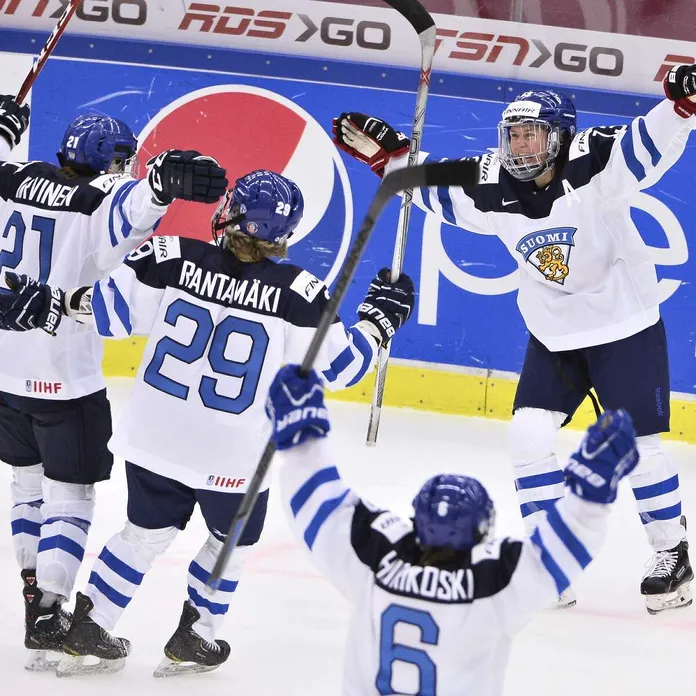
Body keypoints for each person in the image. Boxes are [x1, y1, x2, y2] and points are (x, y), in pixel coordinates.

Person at [0, 169, 415, 676]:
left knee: (141, 533)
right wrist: (380, 320)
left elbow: (106, 313)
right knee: (230, 540)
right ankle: (196, 634)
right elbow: (343, 367)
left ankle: (91, 622)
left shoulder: (172, 255)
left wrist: (53, 303)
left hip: (156, 437)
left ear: (232, 213)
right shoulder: (301, 293)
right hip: (233, 454)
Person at [331, 64, 696, 613]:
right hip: (554, 333)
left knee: (640, 448)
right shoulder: (490, 181)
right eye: (513, 134)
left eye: (533, 134)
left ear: (561, 136)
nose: (521, 145)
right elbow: (436, 189)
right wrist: (391, 160)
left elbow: (646, 144)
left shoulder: (595, 161)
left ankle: (673, 553)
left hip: (624, 324)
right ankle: (550, 563)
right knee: (528, 435)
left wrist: (681, 107)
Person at [0, 94, 227, 669]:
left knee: (26, 484)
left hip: (2, 372)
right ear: (110, 161)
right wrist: (158, 187)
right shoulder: (104, 196)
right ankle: (52, 613)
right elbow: (130, 203)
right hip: (64, 382)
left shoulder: (9, 175)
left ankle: (36, 605)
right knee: (70, 495)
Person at [266, 364, 639, 695]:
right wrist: (591, 490)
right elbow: (562, 547)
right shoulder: (491, 584)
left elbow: (317, 504)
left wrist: (303, 434)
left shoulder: (376, 558)